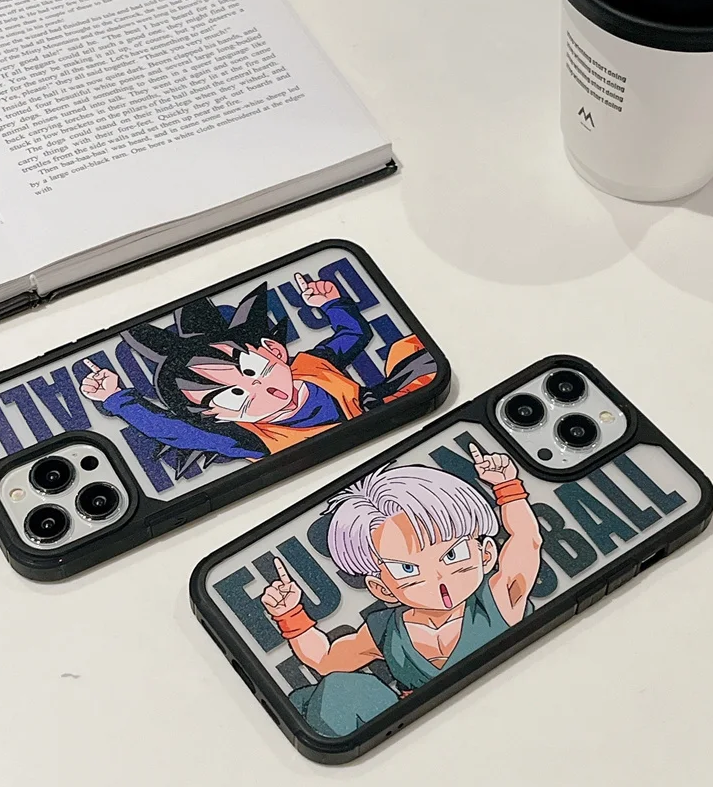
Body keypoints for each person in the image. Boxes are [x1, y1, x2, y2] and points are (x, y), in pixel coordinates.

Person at [260, 447, 543, 737]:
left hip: (509, 702)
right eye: (407, 569)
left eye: (452, 554)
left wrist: (508, 487)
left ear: (486, 554)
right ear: (382, 588)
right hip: (422, 730)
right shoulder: (387, 630)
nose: (437, 577)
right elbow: (326, 659)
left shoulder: (499, 599)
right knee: (343, 689)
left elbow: (527, 541)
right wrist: (290, 614)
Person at [80, 273, 435, 473]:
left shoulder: (311, 366)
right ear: (216, 415)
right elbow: (174, 431)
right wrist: (117, 398)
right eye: (235, 395)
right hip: (339, 466)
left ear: (275, 351)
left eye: (256, 369)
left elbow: (353, 335)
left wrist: (332, 303)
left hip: (399, 411)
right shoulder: (247, 437)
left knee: (412, 349)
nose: (262, 389)